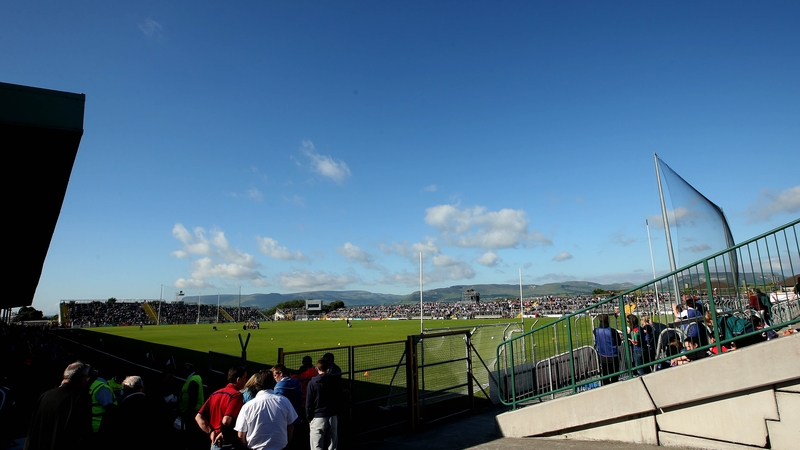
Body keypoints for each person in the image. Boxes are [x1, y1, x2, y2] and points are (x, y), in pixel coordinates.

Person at [24, 362, 93, 450]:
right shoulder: (81, 398)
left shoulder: (45, 395)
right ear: (83, 378)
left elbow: (32, 428)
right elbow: (84, 433)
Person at [235, 371, 297, 450]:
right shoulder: (284, 401)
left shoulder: (247, 407)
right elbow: (290, 426)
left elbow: (240, 435)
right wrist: (286, 442)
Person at [196, 365, 248, 450]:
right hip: (227, 444)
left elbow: (198, 417)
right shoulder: (236, 395)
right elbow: (226, 421)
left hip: (214, 444)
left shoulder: (215, 394)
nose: (246, 380)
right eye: (245, 377)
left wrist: (211, 432)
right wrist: (224, 434)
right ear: (238, 379)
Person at [306, 359, 340, 450]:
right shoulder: (333, 381)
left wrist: (309, 418)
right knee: (332, 447)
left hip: (318, 417)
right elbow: (339, 398)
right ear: (328, 368)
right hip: (332, 416)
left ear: (317, 369)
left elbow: (309, 403)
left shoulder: (312, 383)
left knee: (317, 447)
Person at [178, 363, 205, 448]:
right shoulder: (194, 379)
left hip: (192, 412)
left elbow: (193, 398)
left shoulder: (193, 380)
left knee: (191, 433)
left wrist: (188, 412)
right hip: (194, 410)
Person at [593, 314, 622, 385]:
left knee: (605, 375)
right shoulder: (612, 331)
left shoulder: (596, 331)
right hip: (613, 356)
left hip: (602, 356)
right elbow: (619, 342)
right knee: (614, 376)